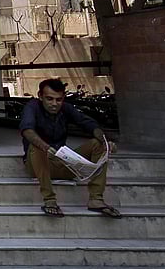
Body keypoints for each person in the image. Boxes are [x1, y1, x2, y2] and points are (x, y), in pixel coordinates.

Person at [20, 78, 120, 218]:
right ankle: (50, 200)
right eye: (49, 99)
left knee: (97, 144)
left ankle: (96, 199)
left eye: (58, 100)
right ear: (40, 96)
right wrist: (46, 147)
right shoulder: (32, 107)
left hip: (63, 162)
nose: (54, 104)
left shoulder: (66, 108)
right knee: (36, 146)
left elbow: (88, 123)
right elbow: (27, 130)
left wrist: (104, 141)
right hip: (39, 165)